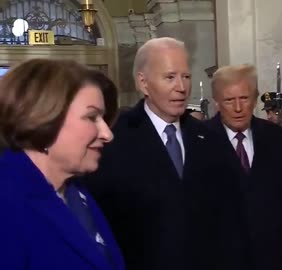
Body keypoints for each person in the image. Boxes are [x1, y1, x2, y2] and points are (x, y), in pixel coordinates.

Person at [81, 37, 224, 270]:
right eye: (170, 77)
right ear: (143, 83)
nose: (181, 87)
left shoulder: (209, 139)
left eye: (185, 76)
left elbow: (226, 220)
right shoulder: (114, 139)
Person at [0, 59, 124, 270]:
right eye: (92, 117)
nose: (107, 134)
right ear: (43, 117)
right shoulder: (7, 202)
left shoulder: (76, 192)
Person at [206, 64, 282, 270]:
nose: (238, 108)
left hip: (273, 259)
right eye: (228, 100)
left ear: (253, 100)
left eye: (244, 98)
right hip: (221, 260)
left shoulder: (276, 137)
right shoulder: (199, 139)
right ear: (216, 103)